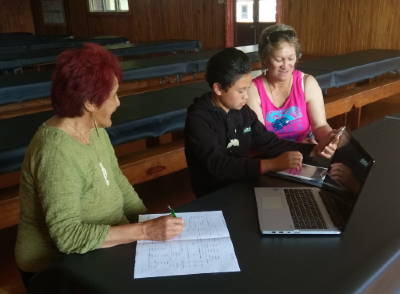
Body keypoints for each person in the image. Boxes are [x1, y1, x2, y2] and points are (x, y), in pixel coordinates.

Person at [15, 43, 184, 288]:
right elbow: (68, 237)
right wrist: (145, 231)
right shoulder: (55, 153)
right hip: (59, 267)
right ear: (90, 104)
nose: (118, 103)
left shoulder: (93, 128)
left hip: (103, 246)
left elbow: (117, 181)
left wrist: (149, 220)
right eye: (113, 95)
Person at [184, 47, 339, 198]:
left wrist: (313, 150)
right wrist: (272, 164)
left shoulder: (241, 111)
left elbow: (269, 142)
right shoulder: (199, 118)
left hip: (243, 184)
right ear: (218, 88)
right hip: (214, 195)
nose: (246, 96)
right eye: (241, 91)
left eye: (247, 89)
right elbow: (219, 165)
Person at [247, 23, 333, 143]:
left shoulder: (307, 83)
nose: (286, 66)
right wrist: (298, 148)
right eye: (278, 59)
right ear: (264, 58)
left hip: (304, 153)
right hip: (270, 156)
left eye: (291, 58)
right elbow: (262, 140)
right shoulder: (253, 90)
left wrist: (329, 139)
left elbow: (320, 126)